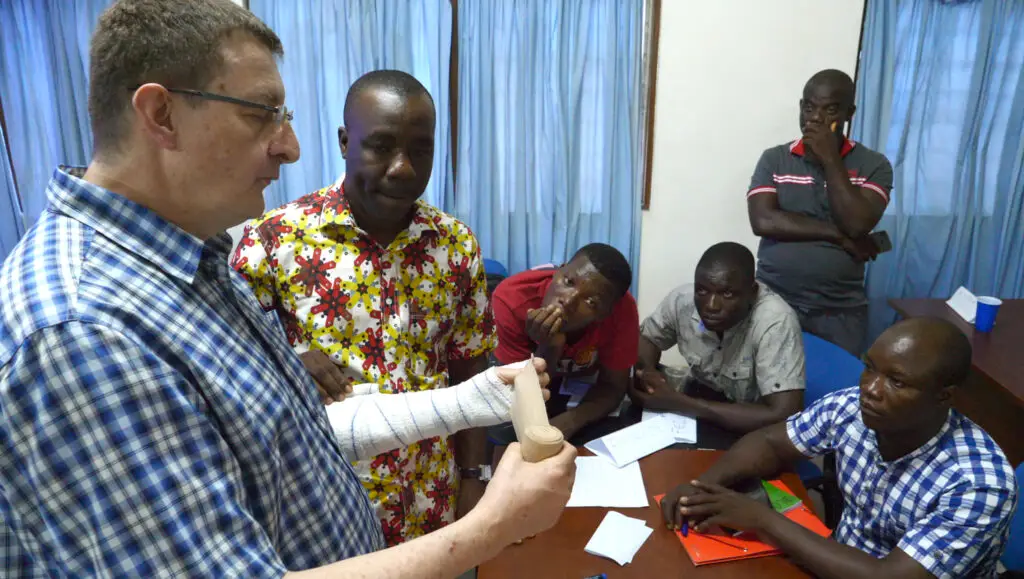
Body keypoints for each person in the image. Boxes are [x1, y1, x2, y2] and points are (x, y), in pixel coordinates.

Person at [0, 1, 576, 577]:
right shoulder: (83, 333)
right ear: (162, 114)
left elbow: (289, 435)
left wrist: (463, 405)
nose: (289, 146)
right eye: (262, 113)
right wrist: (494, 526)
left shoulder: (196, 264)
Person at [232, 70, 494, 544]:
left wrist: (475, 475)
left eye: (421, 149)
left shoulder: (455, 245)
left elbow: (469, 365)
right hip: (322, 509)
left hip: (432, 500)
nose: (403, 168)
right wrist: (285, 363)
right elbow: (224, 365)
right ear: (343, 142)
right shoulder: (273, 241)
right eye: (380, 146)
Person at [661, 318, 1017, 579]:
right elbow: (770, 443)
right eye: (870, 368)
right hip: (833, 557)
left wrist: (760, 519)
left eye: (896, 381)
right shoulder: (852, 408)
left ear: (944, 396)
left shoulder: (978, 483)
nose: (871, 389)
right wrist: (701, 490)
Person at [746, 69, 893, 355]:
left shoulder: (875, 165)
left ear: (849, 113)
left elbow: (857, 223)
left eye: (830, 110)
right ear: (801, 107)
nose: (815, 118)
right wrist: (837, 236)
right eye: (809, 107)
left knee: (834, 391)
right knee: (766, 386)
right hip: (774, 300)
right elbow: (763, 220)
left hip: (838, 311)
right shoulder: (774, 159)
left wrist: (830, 159)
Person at [629, 242, 804, 434]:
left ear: (752, 293)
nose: (711, 305)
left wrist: (681, 404)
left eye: (727, 293)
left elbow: (784, 414)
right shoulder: (682, 300)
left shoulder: (775, 321)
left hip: (752, 425)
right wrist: (647, 371)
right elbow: (647, 339)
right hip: (699, 402)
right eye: (702, 290)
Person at [490, 243, 638, 440]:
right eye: (568, 282)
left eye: (591, 302)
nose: (567, 301)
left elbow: (613, 386)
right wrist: (551, 346)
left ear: (606, 312)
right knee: (506, 434)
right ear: (558, 270)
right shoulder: (512, 299)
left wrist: (572, 421)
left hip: (584, 389)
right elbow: (521, 393)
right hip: (527, 386)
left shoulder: (623, 310)